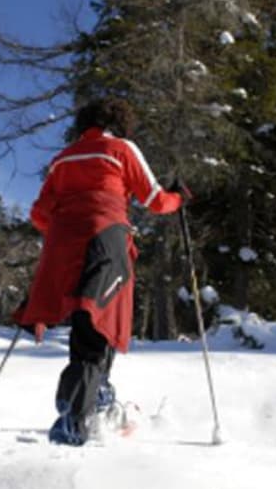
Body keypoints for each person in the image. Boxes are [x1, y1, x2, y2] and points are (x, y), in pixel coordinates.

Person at [14, 97, 182, 446]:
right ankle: (74, 416)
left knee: (87, 316)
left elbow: (39, 214)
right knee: (97, 319)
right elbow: (154, 199)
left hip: (63, 245)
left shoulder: (62, 159)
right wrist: (178, 199)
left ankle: (98, 396)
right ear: (119, 124)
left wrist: (66, 229)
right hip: (105, 238)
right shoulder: (120, 148)